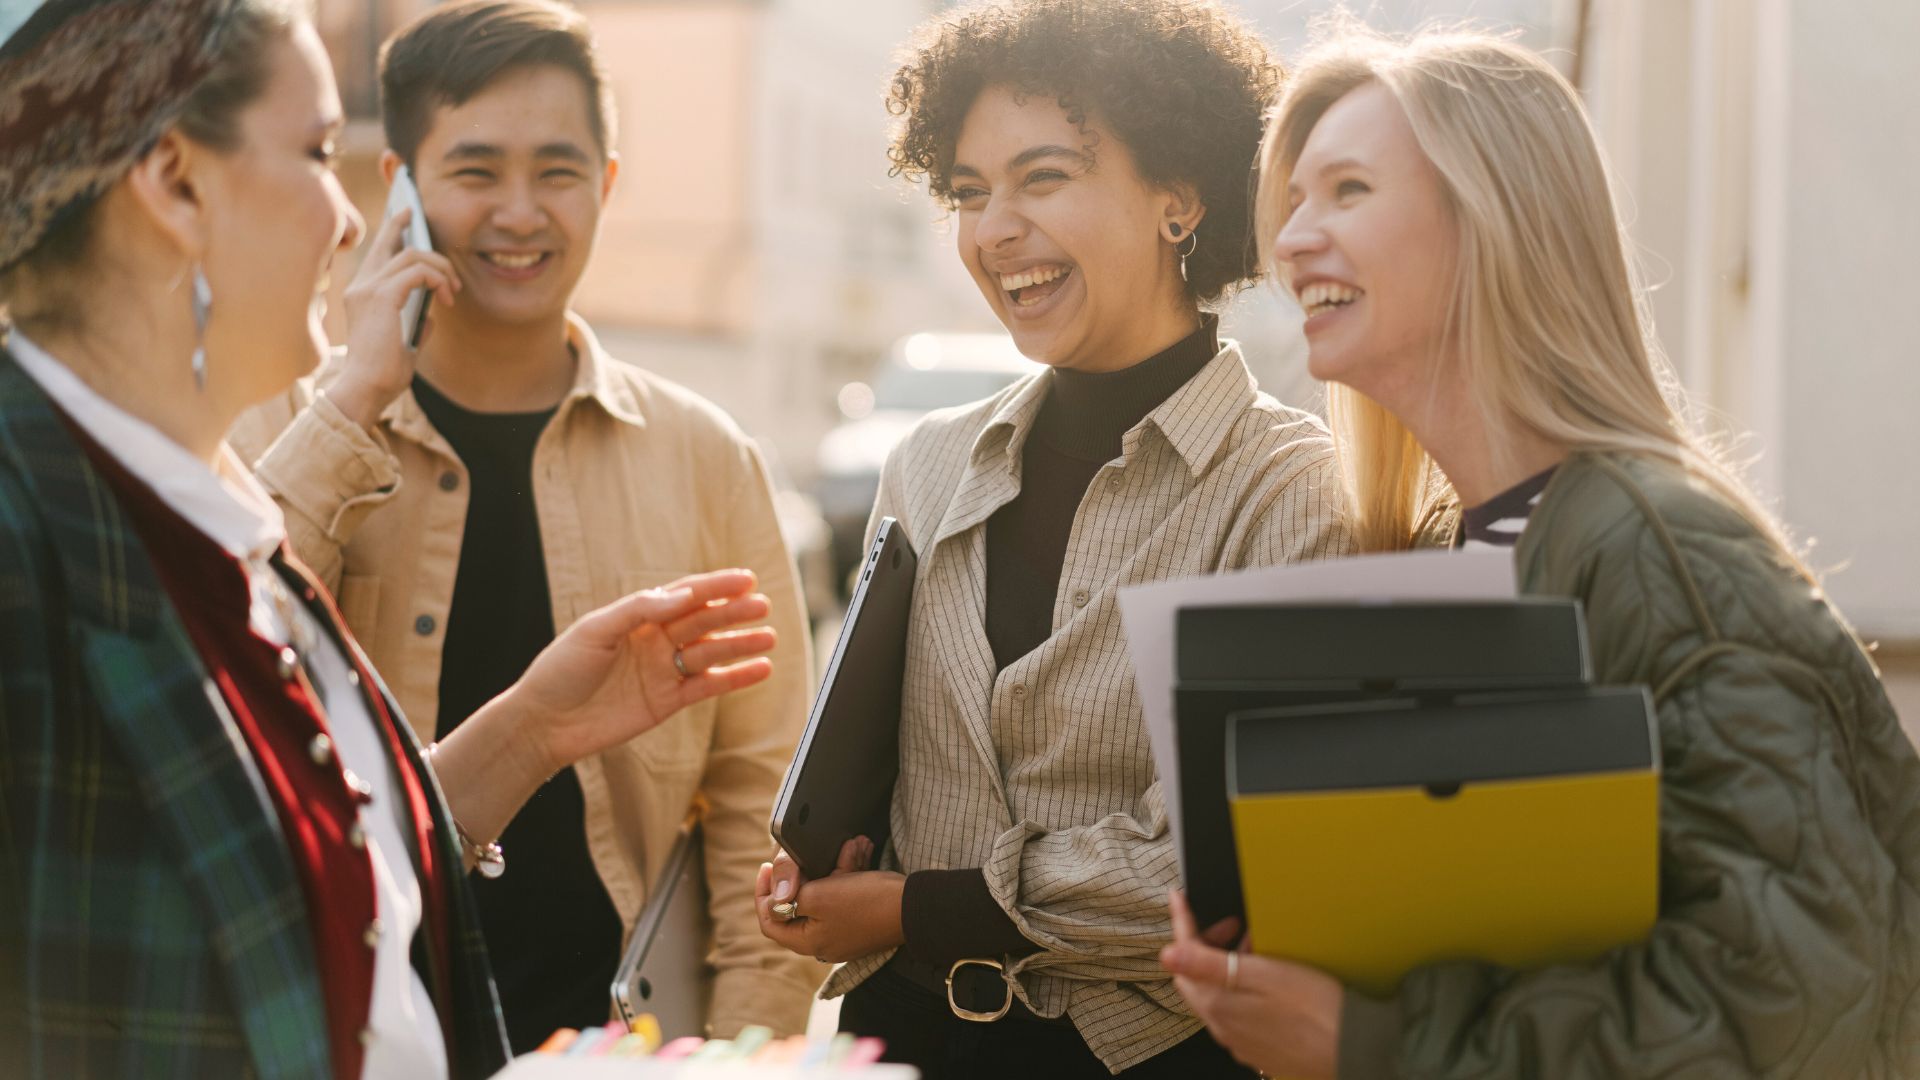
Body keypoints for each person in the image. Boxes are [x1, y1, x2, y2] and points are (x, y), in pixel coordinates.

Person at [0, 2, 778, 1077]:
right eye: (321, 154)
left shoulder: (205, 509)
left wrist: (533, 729)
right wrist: (357, 397)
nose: (350, 219)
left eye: (556, 170)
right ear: (175, 182)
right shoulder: (63, 517)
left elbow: (325, 873)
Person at [1158, 24, 1920, 1079]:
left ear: (1490, 222)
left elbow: (1796, 1004)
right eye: (1293, 202)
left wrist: (1374, 1046)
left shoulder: (1671, 555)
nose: (1289, 242)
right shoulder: (1446, 554)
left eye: (1345, 192)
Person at [753, 1, 1349, 1076]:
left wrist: (909, 906)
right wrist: (827, 859)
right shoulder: (924, 465)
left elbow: (1218, 871)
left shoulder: (1292, 491)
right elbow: (886, 764)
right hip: (903, 1047)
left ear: (1181, 199)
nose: (993, 231)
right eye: (971, 193)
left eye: (1043, 178)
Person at [226, 0, 823, 1048]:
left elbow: (762, 812)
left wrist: (749, 1058)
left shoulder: (703, 455)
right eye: (474, 170)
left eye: (556, 169)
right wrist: (356, 398)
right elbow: (219, 666)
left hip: (612, 1043)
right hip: (350, 1026)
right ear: (399, 188)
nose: (519, 211)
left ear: (609, 183)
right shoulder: (285, 419)